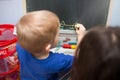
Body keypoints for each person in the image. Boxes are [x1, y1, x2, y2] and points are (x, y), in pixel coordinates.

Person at [16, 10, 86, 80]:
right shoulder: (57, 61)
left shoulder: (20, 46)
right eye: (58, 34)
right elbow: (78, 60)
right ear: (47, 47)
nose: (59, 35)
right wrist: (81, 36)